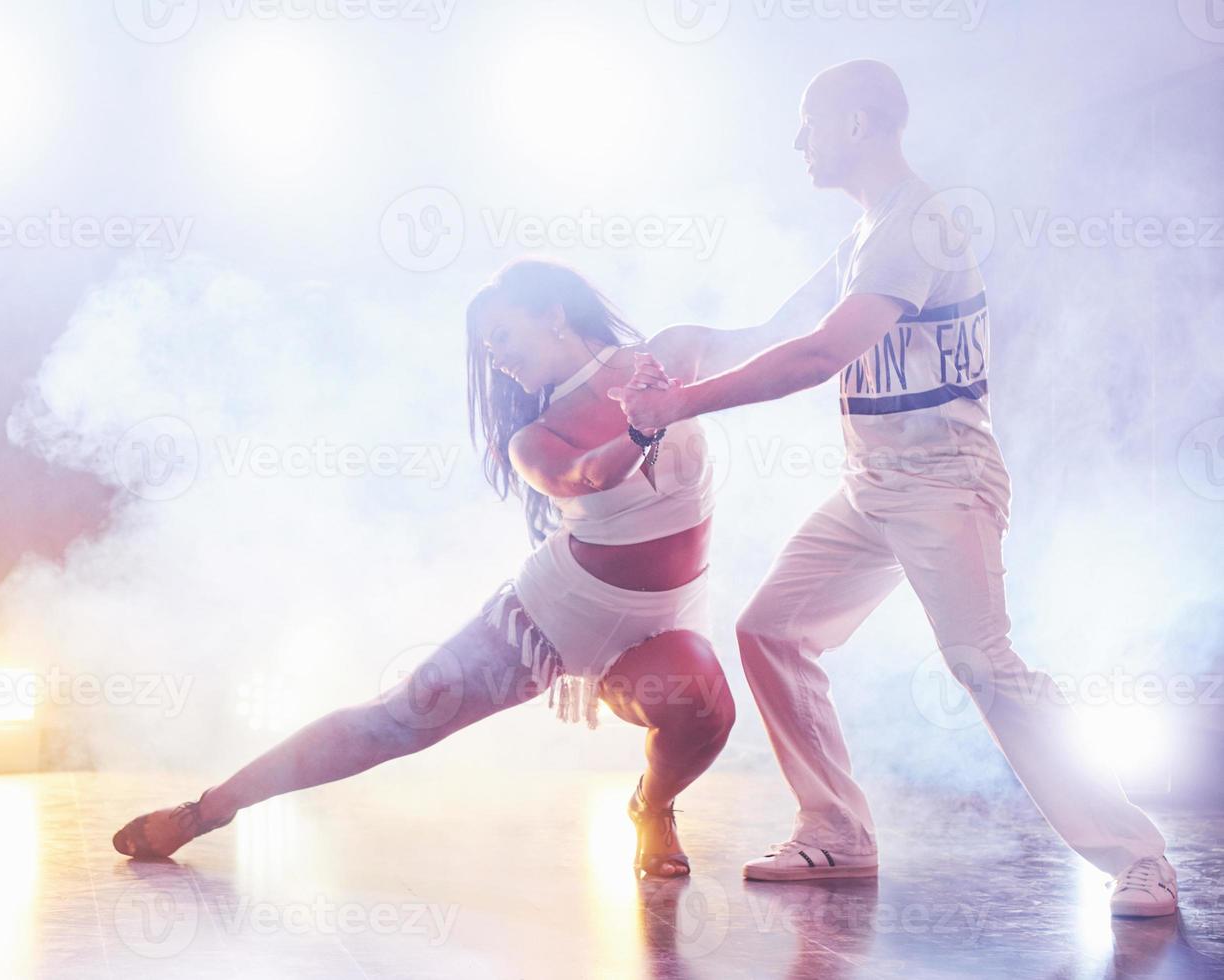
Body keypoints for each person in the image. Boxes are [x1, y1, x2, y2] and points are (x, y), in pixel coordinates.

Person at [609, 59, 1177, 917]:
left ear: (858, 125)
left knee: (982, 665)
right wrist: (684, 349)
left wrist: (681, 403)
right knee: (771, 630)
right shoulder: (867, 234)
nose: (797, 141)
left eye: (810, 122)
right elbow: (774, 334)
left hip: (944, 484)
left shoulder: (921, 224)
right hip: (872, 487)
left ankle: (1140, 857)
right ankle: (835, 828)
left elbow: (821, 353)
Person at [112, 258, 767, 878]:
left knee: (703, 700)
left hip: (663, 618)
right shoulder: (530, 439)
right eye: (488, 350)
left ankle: (651, 808)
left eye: (503, 335)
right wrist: (644, 429)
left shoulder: (669, 355)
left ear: (555, 316)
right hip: (554, 613)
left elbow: (786, 337)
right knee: (397, 719)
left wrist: (869, 264)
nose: (497, 358)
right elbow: (585, 475)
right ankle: (207, 810)